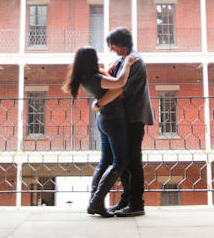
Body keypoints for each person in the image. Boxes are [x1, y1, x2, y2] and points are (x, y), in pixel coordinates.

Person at [63, 46, 137, 217]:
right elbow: (119, 84)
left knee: (105, 162)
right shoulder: (95, 78)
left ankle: (93, 201)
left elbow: (110, 83)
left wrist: (98, 103)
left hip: (104, 119)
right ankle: (97, 201)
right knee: (120, 162)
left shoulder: (85, 78)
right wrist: (127, 63)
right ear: (91, 60)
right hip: (114, 119)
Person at [94, 27, 153, 217]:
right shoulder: (123, 60)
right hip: (126, 116)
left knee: (133, 161)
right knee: (125, 161)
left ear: (121, 43)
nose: (111, 48)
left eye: (112, 45)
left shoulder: (134, 60)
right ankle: (126, 200)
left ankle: (136, 204)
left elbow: (119, 88)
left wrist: (99, 103)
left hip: (133, 116)